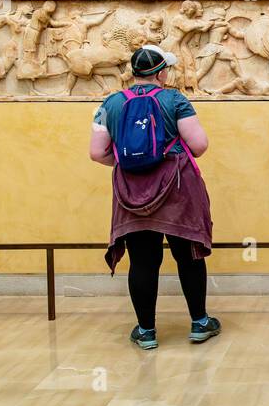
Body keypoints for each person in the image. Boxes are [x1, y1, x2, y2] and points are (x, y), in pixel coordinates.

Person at [89, 45, 220, 350]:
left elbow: (97, 152)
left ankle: (146, 331)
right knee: (188, 255)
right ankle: (200, 323)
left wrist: (130, 163)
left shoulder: (110, 103)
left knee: (143, 260)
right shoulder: (175, 100)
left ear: (134, 73)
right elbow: (199, 145)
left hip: (131, 191)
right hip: (177, 188)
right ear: (161, 73)